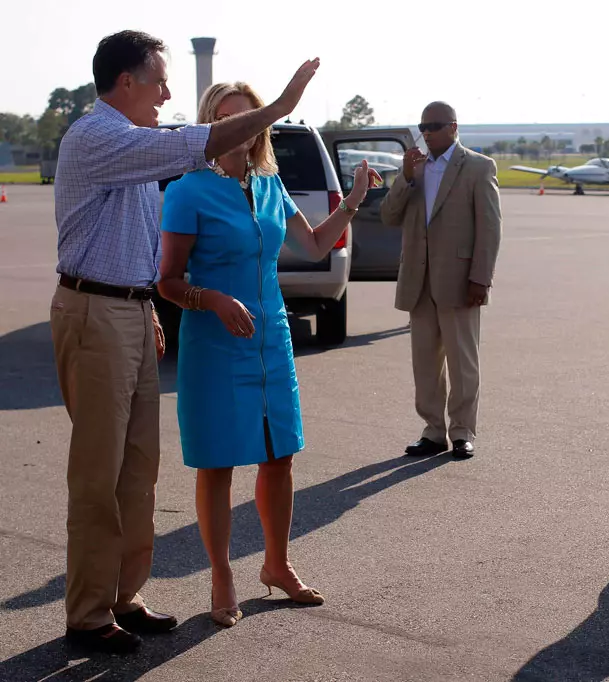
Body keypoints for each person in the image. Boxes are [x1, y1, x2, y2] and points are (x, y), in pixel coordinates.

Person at [51, 29, 320, 653]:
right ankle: (90, 614)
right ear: (126, 83)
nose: (168, 93)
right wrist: (276, 109)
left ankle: (125, 596)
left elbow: (147, 243)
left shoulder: (139, 151)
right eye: (158, 81)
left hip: (128, 309)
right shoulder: (98, 137)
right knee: (99, 471)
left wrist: (146, 301)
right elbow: (197, 145)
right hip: (93, 311)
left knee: (138, 469)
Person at [157, 82, 381, 627]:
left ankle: (276, 565)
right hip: (214, 341)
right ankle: (221, 575)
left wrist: (352, 199)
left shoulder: (269, 182)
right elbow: (166, 281)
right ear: (211, 124)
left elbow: (313, 246)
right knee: (216, 462)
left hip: (271, 336)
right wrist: (209, 299)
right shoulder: (187, 190)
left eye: (252, 118)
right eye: (231, 118)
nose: (244, 127)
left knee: (278, 455)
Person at [380, 102, 502, 459]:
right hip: (419, 281)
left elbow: (490, 228)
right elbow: (389, 216)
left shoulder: (478, 167)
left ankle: (462, 431)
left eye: (434, 125)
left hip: (461, 281)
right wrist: (405, 177)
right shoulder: (414, 170)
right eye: (422, 126)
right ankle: (433, 432)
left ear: (453, 127)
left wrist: (481, 277)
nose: (427, 132)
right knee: (425, 363)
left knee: (463, 363)